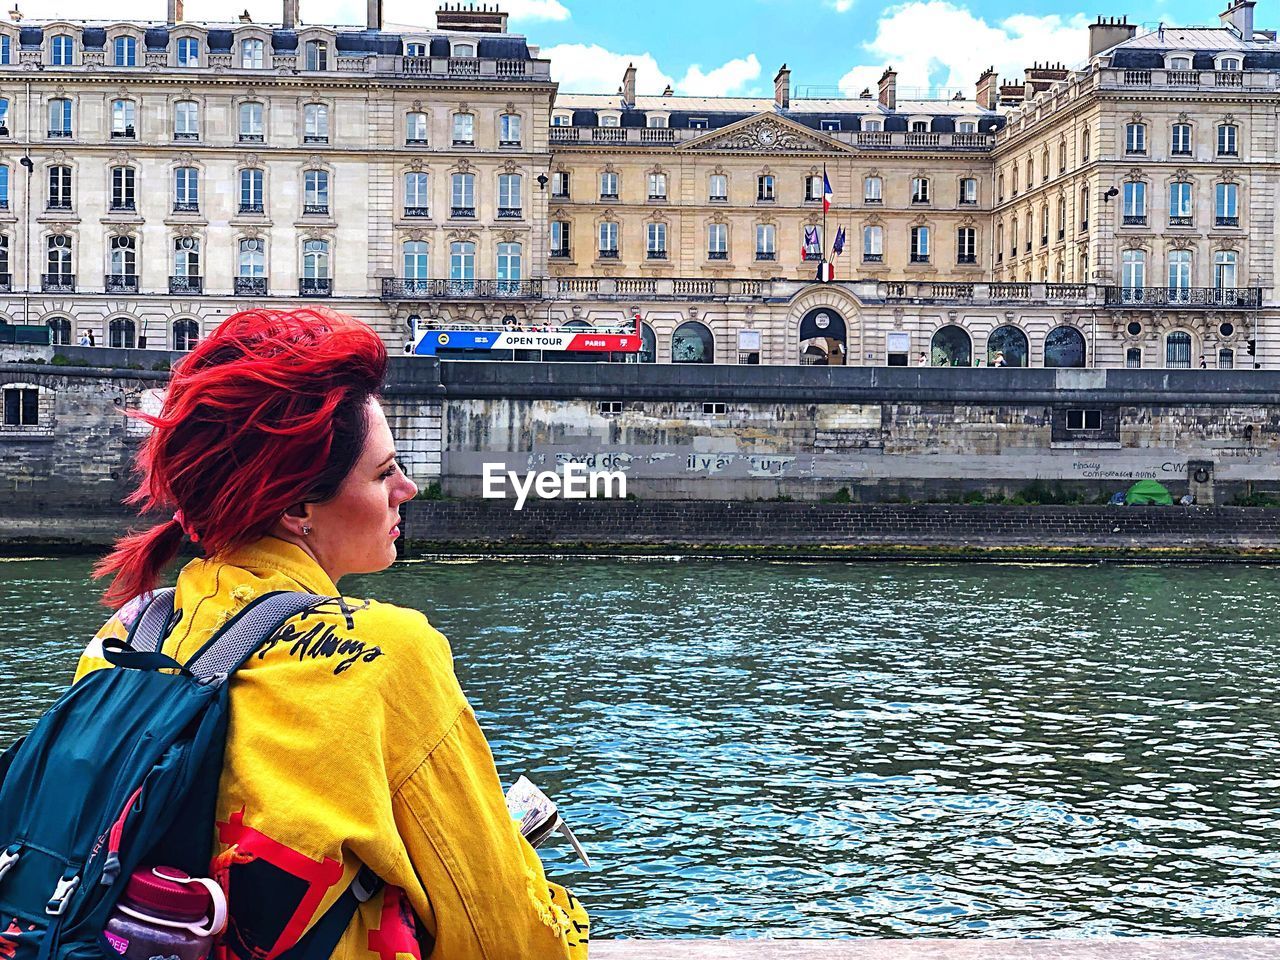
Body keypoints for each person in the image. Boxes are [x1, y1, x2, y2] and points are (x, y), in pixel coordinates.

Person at [79, 308, 588, 960]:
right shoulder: (389, 654)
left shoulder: (125, 636)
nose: (406, 488)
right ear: (295, 507)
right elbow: (504, 939)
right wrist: (563, 915)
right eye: (382, 474)